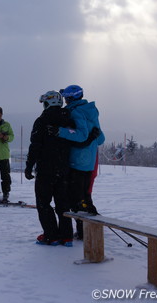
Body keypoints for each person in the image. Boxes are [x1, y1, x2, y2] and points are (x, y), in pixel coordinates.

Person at [25, 91, 76, 246]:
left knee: (43, 202)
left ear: (48, 103)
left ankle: (51, 235)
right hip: (64, 168)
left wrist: (29, 166)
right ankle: (66, 236)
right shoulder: (69, 120)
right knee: (63, 202)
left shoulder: (41, 121)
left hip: (46, 169)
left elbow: (35, 146)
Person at [55, 85, 105, 240]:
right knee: (84, 195)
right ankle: (88, 227)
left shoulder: (76, 112)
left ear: (71, 98)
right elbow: (101, 139)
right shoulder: (91, 110)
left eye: (66, 98)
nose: (65, 101)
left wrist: (60, 131)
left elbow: (82, 135)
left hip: (77, 162)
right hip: (88, 163)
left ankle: (85, 232)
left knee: (76, 198)